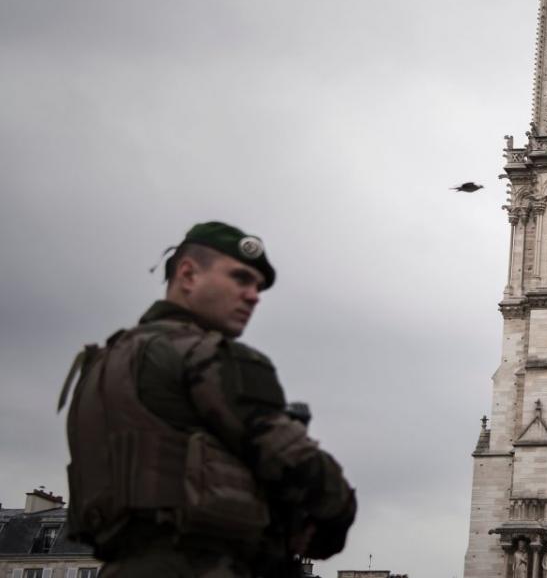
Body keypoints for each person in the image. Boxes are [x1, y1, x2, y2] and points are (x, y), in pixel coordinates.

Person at [61, 221, 356, 577]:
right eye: (240, 278)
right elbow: (304, 468)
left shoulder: (100, 366)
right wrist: (333, 521)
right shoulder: (206, 356)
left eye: (258, 286)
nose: (253, 295)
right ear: (188, 275)